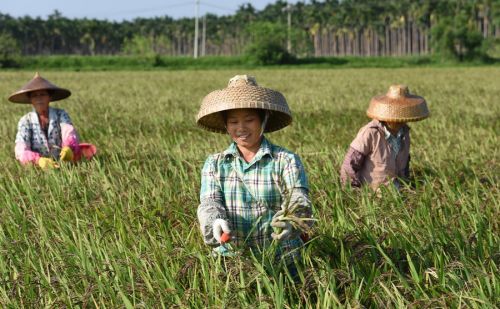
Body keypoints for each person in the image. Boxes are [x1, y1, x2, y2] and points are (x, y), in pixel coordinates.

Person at [196, 75, 313, 269]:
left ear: (263, 120)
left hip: (282, 256)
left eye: (249, 120)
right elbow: (210, 202)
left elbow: (299, 197)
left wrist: (292, 220)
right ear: (226, 125)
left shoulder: (285, 160)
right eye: (233, 122)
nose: (241, 128)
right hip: (233, 258)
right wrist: (214, 221)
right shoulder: (215, 164)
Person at [341, 84, 429, 190]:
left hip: (399, 191)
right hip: (373, 194)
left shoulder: (404, 132)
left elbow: (405, 164)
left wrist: (407, 185)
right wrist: (352, 192)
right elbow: (350, 164)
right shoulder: (370, 133)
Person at [9, 72, 96, 169]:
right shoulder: (25, 121)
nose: (39, 98)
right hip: (38, 167)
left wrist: (68, 147)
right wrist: (38, 160)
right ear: (30, 100)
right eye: (34, 95)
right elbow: (21, 148)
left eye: (43, 94)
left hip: (63, 162)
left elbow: (69, 132)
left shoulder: (61, 114)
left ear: (49, 97)